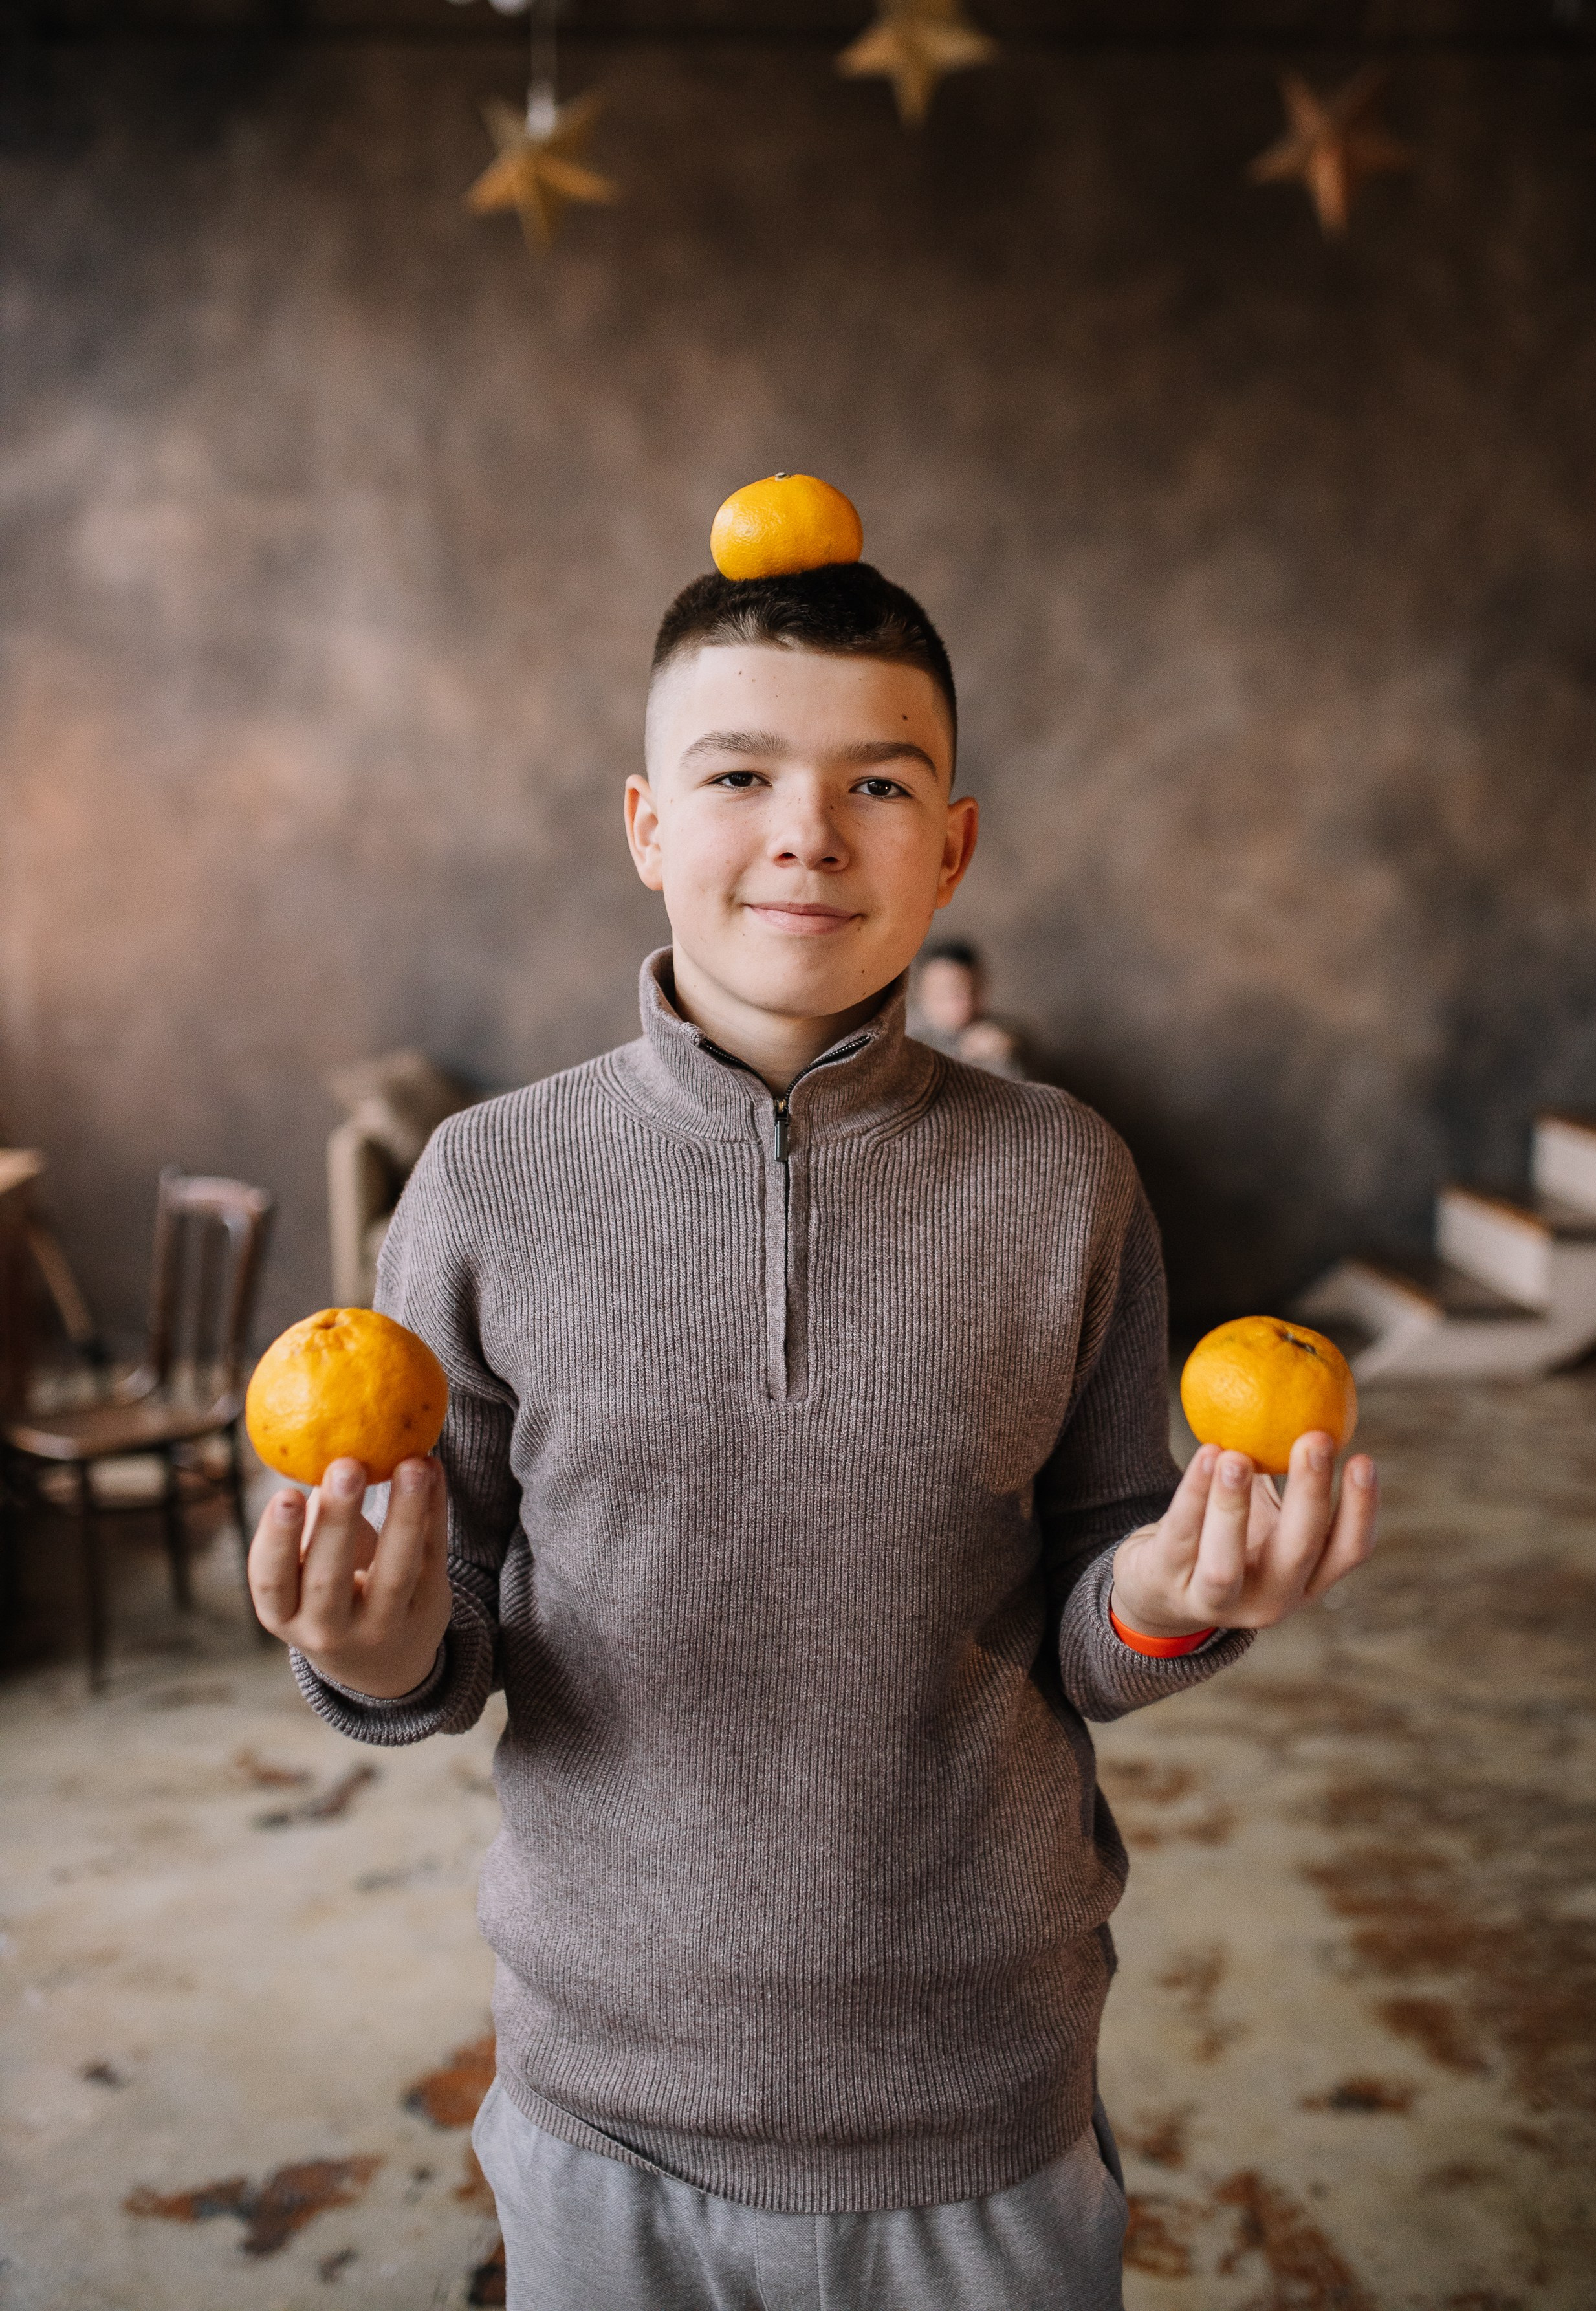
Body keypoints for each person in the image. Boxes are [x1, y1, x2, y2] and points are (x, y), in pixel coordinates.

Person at [248, 535, 1379, 2311]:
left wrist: (1176, 1586)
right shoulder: (482, 1184)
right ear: (642, 823)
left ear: (954, 841)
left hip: (976, 2106)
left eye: (877, 782)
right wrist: (381, 1647)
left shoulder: (1064, 1176)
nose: (806, 832)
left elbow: (1098, 1608)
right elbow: (441, 1629)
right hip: (600, 2111)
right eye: (738, 775)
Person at [910, 936, 1030, 1077]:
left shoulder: (1003, 1032)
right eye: (951, 992)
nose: (966, 1002)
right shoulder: (900, 1039)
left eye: (974, 990)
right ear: (921, 991)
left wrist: (1012, 1045)